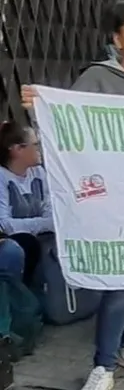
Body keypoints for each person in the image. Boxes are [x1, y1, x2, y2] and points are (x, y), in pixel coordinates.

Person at [22, 0, 124, 390]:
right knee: (121, 283)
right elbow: (68, 128)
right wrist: (40, 112)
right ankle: (102, 366)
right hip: (112, 201)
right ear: (117, 38)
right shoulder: (98, 79)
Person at [0, 122, 49, 295]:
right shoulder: (2, 178)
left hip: (38, 234)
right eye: (35, 145)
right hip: (14, 241)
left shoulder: (38, 173)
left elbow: (49, 208)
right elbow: (4, 224)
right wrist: (44, 224)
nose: (39, 150)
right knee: (26, 243)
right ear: (16, 150)